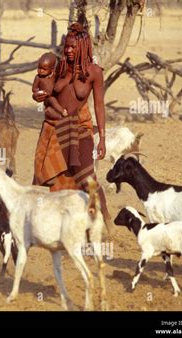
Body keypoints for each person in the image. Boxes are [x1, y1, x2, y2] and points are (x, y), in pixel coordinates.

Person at [32, 22, 111, 226]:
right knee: (54, 178)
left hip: (80, 128)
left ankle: (106, 219)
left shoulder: (94, 72)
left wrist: (102, 138)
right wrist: (39, 96)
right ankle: (61, 223)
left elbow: (100, 106)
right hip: (56, 127)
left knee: (86, 176)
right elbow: (43, 89)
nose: (67, 50)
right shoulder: (59, 67)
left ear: (83, 47)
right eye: (66, 46)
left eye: (72, 47)